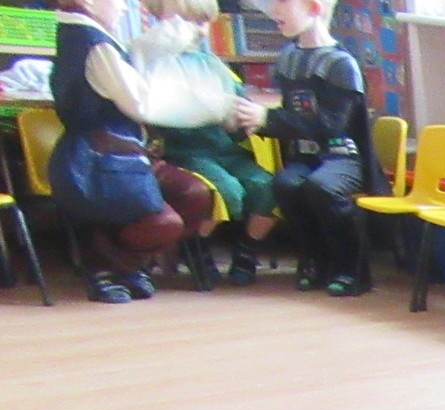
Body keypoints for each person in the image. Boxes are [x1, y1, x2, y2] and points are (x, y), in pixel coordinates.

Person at [48, 0, 217, 302]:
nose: (125, 8)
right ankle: (103, 266)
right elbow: (140, 103)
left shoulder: (95, 38)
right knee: (165, 222)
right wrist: (202, 102)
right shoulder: (94, 44)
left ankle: (126, 266)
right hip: (98, 162)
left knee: (194, 194)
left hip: (127, 156)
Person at [232, 0, 385, 296]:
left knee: (323, 186)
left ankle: (352, 270)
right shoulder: (289, 58)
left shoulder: (341, 65)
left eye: (283, 2)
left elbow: (331, 125)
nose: (275, 11)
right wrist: (256, 121)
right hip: (305, 155)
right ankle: (315, 262)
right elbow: (291, 115)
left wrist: (268, 118)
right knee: (287, 184)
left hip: (343, 155)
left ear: (314, 8)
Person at [137, 0, 277, 285]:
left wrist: (244, 119)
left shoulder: (210, 63)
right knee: (228, 191)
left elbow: (237, 103)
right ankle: (196, 245)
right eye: (190, 21)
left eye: (203, 23)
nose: (199, 30)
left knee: (267, 186)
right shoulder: (156, 61)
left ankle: (247, 249)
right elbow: (153, 108)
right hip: (186, 152)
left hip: (224, 149)